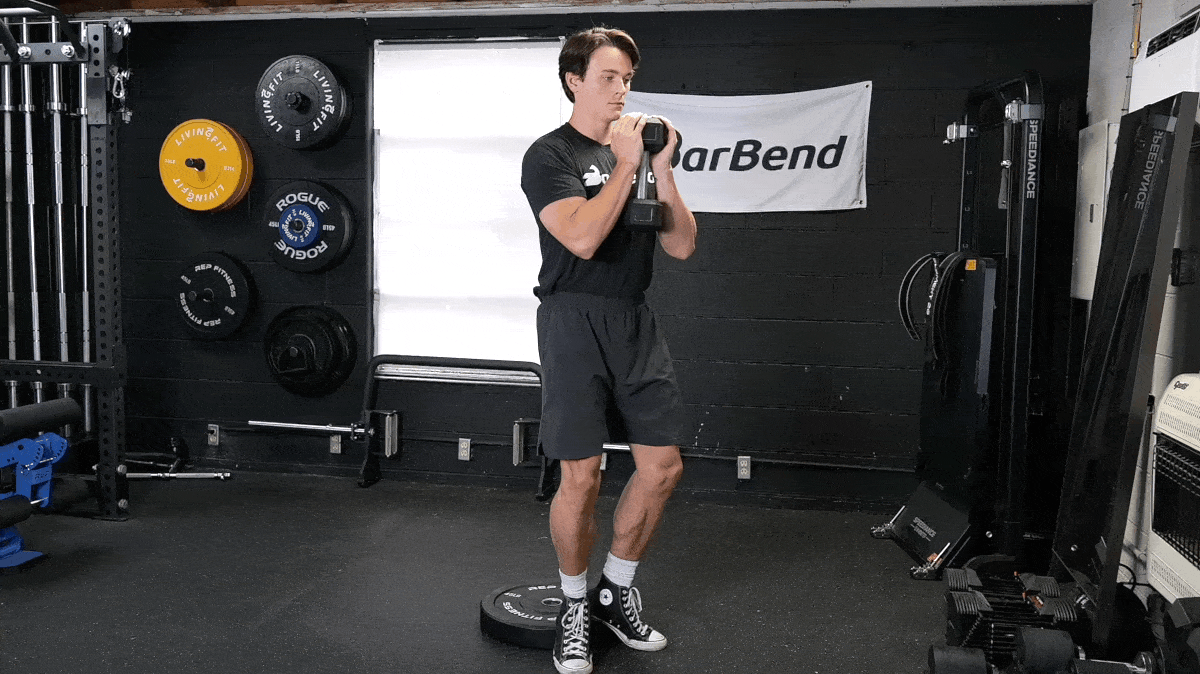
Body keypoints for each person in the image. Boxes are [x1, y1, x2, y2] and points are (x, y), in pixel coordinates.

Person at [519, 26, 697, 674]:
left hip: (633, 322)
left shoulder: (643, 154)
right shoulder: (549, 156)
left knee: (663, 467)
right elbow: (585, 239)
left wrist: (663, 167)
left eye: (626, 78)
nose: (621, 90)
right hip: (572, 322)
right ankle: (573, 605)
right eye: (608, 77)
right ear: (575, 80)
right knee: (582, 475)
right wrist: (626, 165)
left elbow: (681, 245)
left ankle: (615, 591)